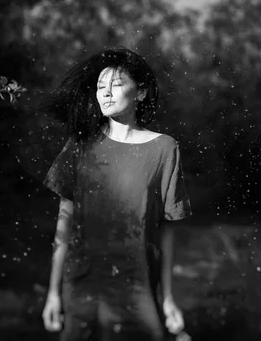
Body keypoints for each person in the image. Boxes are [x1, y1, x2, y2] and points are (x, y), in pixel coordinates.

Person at [41, 47, 193, 341]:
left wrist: (167, 297)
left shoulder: (164, 149)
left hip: (137, 285)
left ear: (141, 92)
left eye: (117, 84)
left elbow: (167, 229)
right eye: (100, 86)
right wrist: (53, 292)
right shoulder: (80, 146)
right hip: (82, 283)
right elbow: (64, 223)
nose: (106, 94)